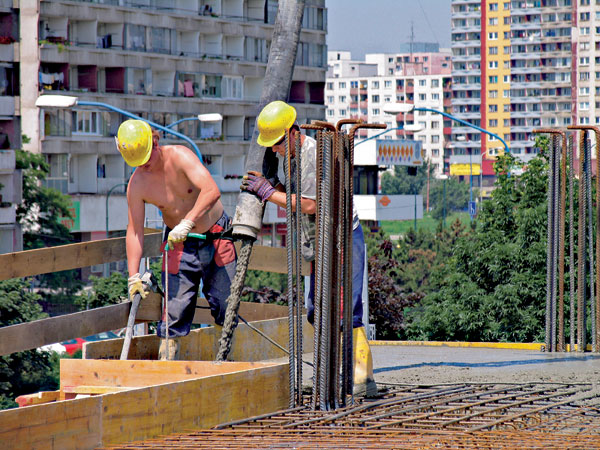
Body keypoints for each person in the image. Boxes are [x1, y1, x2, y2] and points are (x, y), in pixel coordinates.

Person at [241, 101, 377, 396]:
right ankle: (329, 374)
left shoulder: (313, 154)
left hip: (342, 238)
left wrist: (268, 192)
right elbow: (293, 193)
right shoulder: (287, 156)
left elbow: (309, 204)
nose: (274, 150)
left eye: (277, 143)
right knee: (317, 309)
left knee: (345, 310)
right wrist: (273, 186)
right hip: (318, 241)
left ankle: (362, 377)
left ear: (293, 132)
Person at [116, 119, 236, 360]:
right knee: (173, 314)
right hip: (180, 246)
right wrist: (133, 276)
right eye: (138, 162)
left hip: (215, 236)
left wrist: (188, 222)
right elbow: (135, 231)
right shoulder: (137, 184)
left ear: (156, 142)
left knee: (226, 307)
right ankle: (168, 366)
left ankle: (227, 362)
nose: (145, 165)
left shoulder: (181, 157)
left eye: (147, 158)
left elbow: (211, 190)